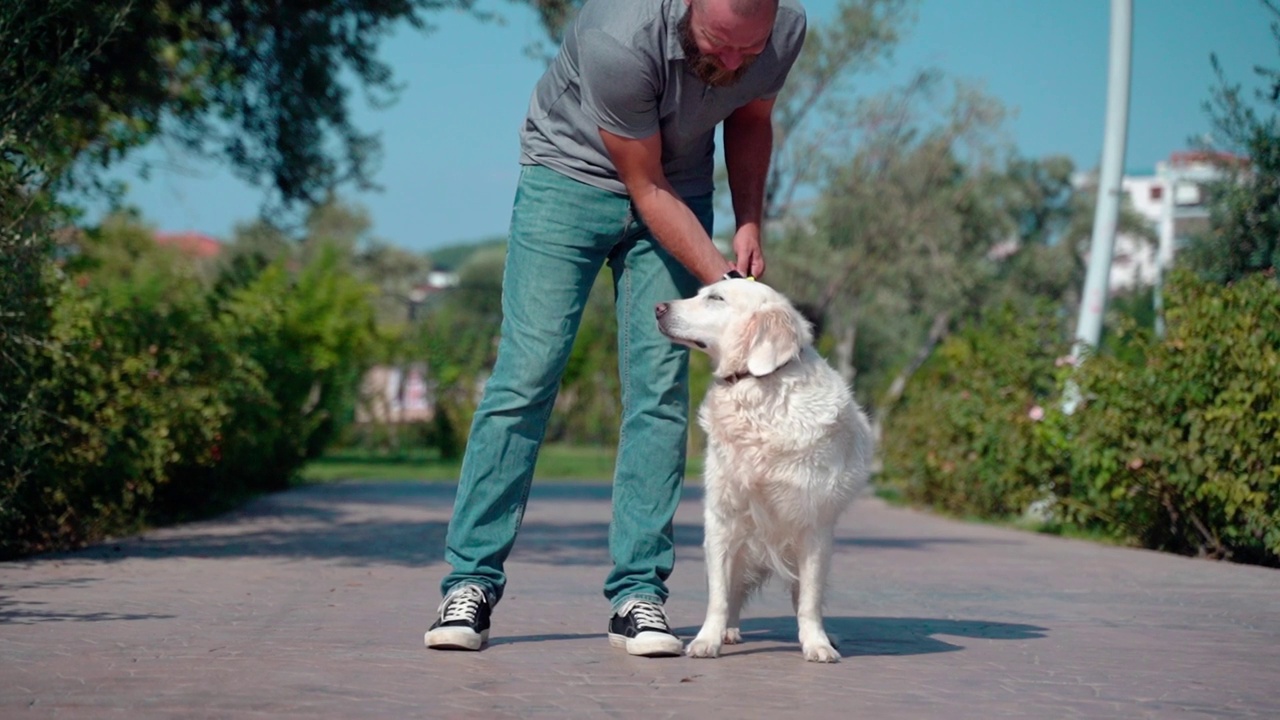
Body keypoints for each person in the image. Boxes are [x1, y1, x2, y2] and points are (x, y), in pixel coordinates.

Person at [425, 0, 807, 657]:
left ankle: (638, 596)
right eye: (721, 45)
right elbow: (643, 184)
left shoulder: (781, 31)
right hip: (568, 180)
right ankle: (470, 585)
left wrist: (749, 220)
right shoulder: (618, 37)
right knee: (527, 376)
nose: (735, 61)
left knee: (659, 395)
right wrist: (726, 289)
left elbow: (751, 119)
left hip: (681, 190)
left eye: (751, 50)